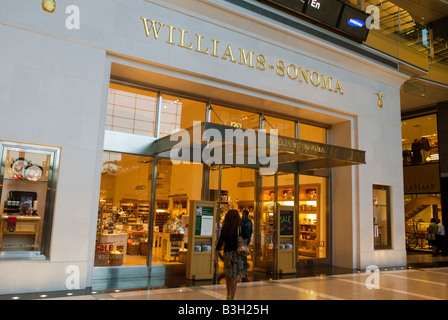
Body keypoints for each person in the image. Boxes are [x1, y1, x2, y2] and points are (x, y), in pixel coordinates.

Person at [216, 209, 247, 300]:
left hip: (227, 253)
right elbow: (245, 238)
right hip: (236, 254)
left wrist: (215, 255)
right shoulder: (239, 226)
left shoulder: (225, 227)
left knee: (228, 275)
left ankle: (228, 294)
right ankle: (232, 297)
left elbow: (220, 242)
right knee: (234, 276)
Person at [241, 210, 253, 281]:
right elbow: (251, 231)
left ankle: (245, 264)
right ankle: (244, 264)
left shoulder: (242, 221)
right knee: (244, 251)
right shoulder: (250, 222)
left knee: (242, 252)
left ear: (244, 214)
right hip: (248, 239)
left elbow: (241, 230)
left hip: (243, 239)